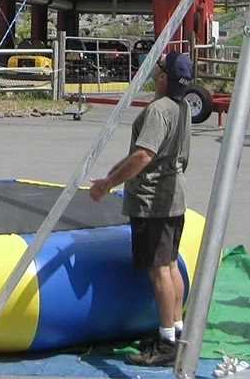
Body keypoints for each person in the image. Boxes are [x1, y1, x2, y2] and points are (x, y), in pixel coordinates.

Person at [89, 51, 194, 367]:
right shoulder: (182, 106)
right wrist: (110, 175)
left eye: (158, 66)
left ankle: (165, 342)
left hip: (154, 201)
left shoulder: (159, 110)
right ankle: (176, 331)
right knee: (170, 263)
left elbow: (144, 156)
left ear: (163, 77)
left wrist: (108, 185)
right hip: (173, 197)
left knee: (159, 269)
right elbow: (145, 154)